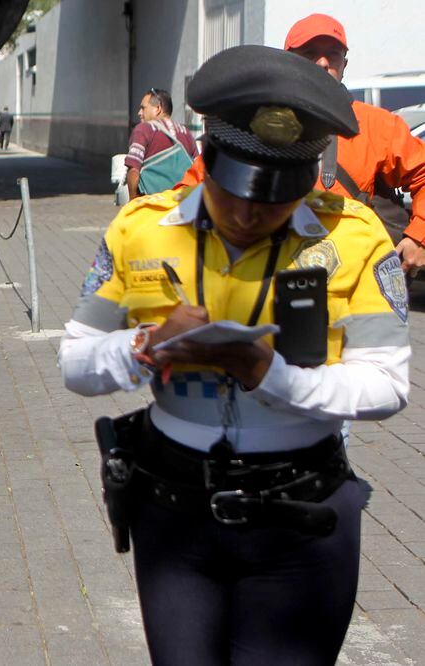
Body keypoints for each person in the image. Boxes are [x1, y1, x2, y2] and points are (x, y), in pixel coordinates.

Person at [60, 45, 410, 664]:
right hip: (174, 518)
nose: (249, 213)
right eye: (234, 191)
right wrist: (145, 345)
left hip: (301, 520)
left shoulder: (353, 237)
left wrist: (270, 377)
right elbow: (76, 362)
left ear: (306, 179)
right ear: (209, 158)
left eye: (274, 199)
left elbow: (387, 385)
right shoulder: (142, 226)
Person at [177, 14, 425, 276]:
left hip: (350, 280)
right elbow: (187, 194)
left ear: (345, 64)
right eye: (309, 53)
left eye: (333, 55)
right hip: (258, 279)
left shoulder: (379, 126)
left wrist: (418, 236)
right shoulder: (249, 123)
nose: (322, 63)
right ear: (288, 60)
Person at [125, 88, 198, 201]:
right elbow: (197, 168)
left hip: (153, 206)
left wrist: (133, 201)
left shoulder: (144, 129)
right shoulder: (186, 133)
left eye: (143, 108)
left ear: (158, 108)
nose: (139, 113)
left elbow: (134, 169)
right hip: (181, 204)